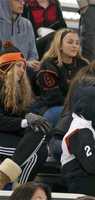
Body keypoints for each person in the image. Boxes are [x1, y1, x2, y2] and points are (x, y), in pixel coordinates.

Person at [0, 44, 51, 189]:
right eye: (18, 66)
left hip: (8, 136)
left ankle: (17, 187)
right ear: (6, 66)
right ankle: (17, 187)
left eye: (23, 67)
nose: (22, 71)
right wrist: (25, 121)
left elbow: (19, 118)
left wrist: (29, 118)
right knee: (36, 149)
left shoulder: (16, 91)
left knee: (41, 145)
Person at [32, 28, 88, 126]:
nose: (74, 46)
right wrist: (78, 105)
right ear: (60, 45)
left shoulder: (83, 64)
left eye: (77, 43)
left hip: (77, 106)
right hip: (51, 107)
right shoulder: (48, 65)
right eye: (70, 42)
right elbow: (53, 97)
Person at [0, 0, 40, 70]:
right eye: (17, 0)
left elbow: (33, 54)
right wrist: (25, 63)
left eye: (23, 0)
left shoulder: (27, 24)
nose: (22, 3)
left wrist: (30, 63)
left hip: (25, 71)